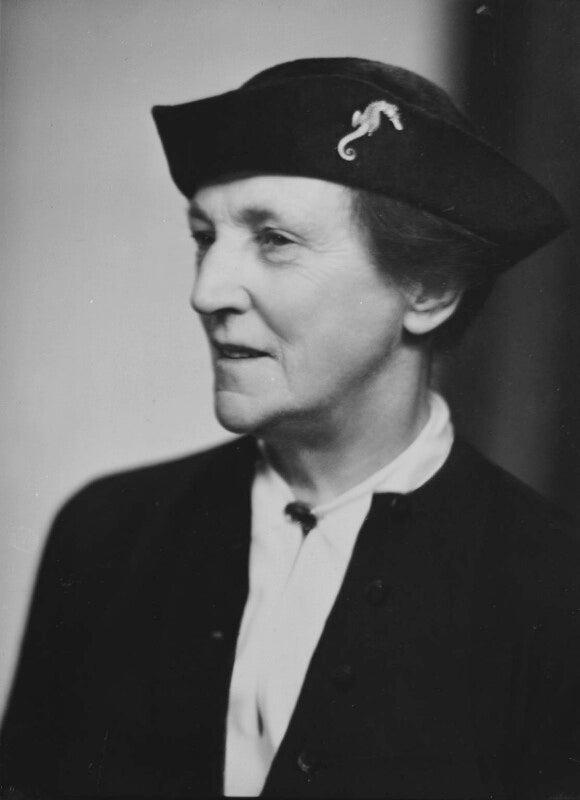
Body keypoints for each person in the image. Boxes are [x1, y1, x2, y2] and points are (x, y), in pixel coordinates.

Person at [1, 57, 579, 800]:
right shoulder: (105, 536)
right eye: (204, 236)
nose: (206, 290)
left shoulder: (554, 591)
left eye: (274, 239)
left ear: (429, 289)